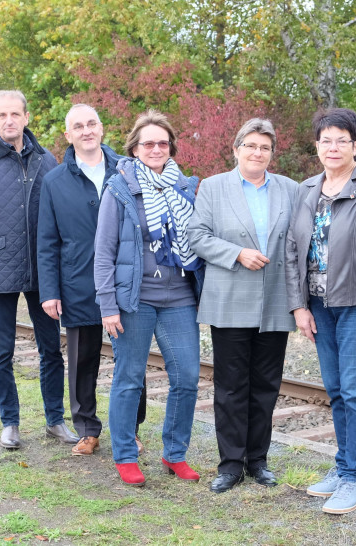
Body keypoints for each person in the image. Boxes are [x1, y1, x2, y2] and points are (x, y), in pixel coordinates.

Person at [0, 90, 77, 450]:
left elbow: (61, 217)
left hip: (43, 270)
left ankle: (55, 420)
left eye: (15, 114)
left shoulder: (47, 161)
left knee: (51, 348)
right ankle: (10, 423)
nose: (9, 120)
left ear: (26, 118)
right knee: (2, 351)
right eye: (1, 115)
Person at [95, 109, 204, 486]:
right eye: (148, 143)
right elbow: (104, 251)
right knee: (129, 378)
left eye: (162, 142)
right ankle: (125, 455)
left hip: (180, 298)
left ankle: (174, 454)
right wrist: (108, 306)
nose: (156, 148)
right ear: (135, 148)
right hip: (134, 300)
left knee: (188, 376)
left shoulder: (187, 187)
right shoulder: (119, 188)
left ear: (171, 147)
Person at [188, 118, 297, 493]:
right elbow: (196, 236)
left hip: (275, 301)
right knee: (232, 387)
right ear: (236, 149)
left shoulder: (290, 189)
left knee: (266, 385)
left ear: (272, 153)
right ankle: (231, 464)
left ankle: (258, 461)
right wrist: (236, 253)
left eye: (264, 147)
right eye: (250, 145)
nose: (257, 153)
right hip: (230, 298)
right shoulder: (214, 187)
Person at [285, 108, 356, 514]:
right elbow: (294, 251)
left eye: (342, 139)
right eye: (326, 140)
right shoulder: (307, 189)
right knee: (337, 391)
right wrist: (298, 305)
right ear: (317, 146)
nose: (333, 147)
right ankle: (343, 468)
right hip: (319, 306)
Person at [37, 104, 147, 456]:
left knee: (130, 360)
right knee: (83, 360)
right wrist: (50, 291)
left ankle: (130, 429)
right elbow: (47, 241)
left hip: (126, 281)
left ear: (102, 129)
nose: (86, 131)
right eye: (78, 126)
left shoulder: (129, 170)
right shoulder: (54, 181)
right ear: (68, 136)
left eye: (92, 124)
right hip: (77, 283)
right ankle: (87, 429)